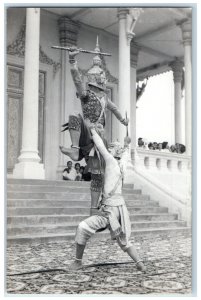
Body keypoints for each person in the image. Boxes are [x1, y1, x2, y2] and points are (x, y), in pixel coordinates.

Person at [59, 41, 128, 213]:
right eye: (102, 77)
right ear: (96, 79)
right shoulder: (86, 95)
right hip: (86, 133)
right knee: (74, 117)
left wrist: (123, 121)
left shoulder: (104, 98)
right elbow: (76, 80)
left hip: (99, 138)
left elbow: (115, 109)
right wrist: (73, 61)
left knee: (98, 175)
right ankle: (75, 149)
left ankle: (93, 208)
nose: (104, 79)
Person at [68, 126, 146, 272]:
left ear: (114, 152)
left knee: (82, 227)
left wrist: (92, 129)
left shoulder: (110, 161)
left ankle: (78, 262)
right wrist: (126, 144)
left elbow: (100, 145)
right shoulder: (121, 164)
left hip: (110, 209)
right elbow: (125, 154)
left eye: (111, 148)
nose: (108, 148)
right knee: (124, 240)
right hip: (119, 209)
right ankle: (140, 263)